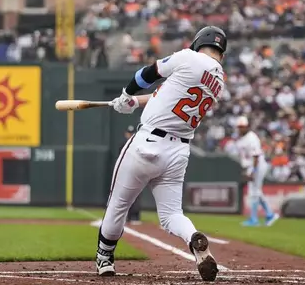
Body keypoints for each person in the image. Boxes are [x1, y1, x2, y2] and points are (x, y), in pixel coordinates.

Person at [96, 26, 227, 281]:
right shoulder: (219, 78)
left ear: (198, 42)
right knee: (171, 215)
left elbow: (147, 74)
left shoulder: (189, 57)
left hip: (146, 144)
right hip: (178, 151)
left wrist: (127, 93)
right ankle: (193, 239)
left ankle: (104, 259)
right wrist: (133, 103)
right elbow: (166, 94)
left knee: (118, 206)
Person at [235, 116, 279, 227]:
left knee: (253, 192)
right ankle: (270, 214)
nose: (241, 129)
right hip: (250, 166)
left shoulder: (251, 137)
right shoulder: (241, 138)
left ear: (247, 127)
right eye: (239, 127)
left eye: (242, 127)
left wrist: (253, 171)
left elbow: (256, 156)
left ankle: (254, 219)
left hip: (258, 166)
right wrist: (246, 170)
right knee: (256, 191)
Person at [122, 125, 142, 225]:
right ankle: (125, 216)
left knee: (136, 195)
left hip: (137, 173)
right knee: (124, 195)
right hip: (126, 173)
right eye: (129, 133)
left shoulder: (140, 145)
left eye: (132, 133)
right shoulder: (123, 145)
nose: (130, 135)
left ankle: (135, 216)